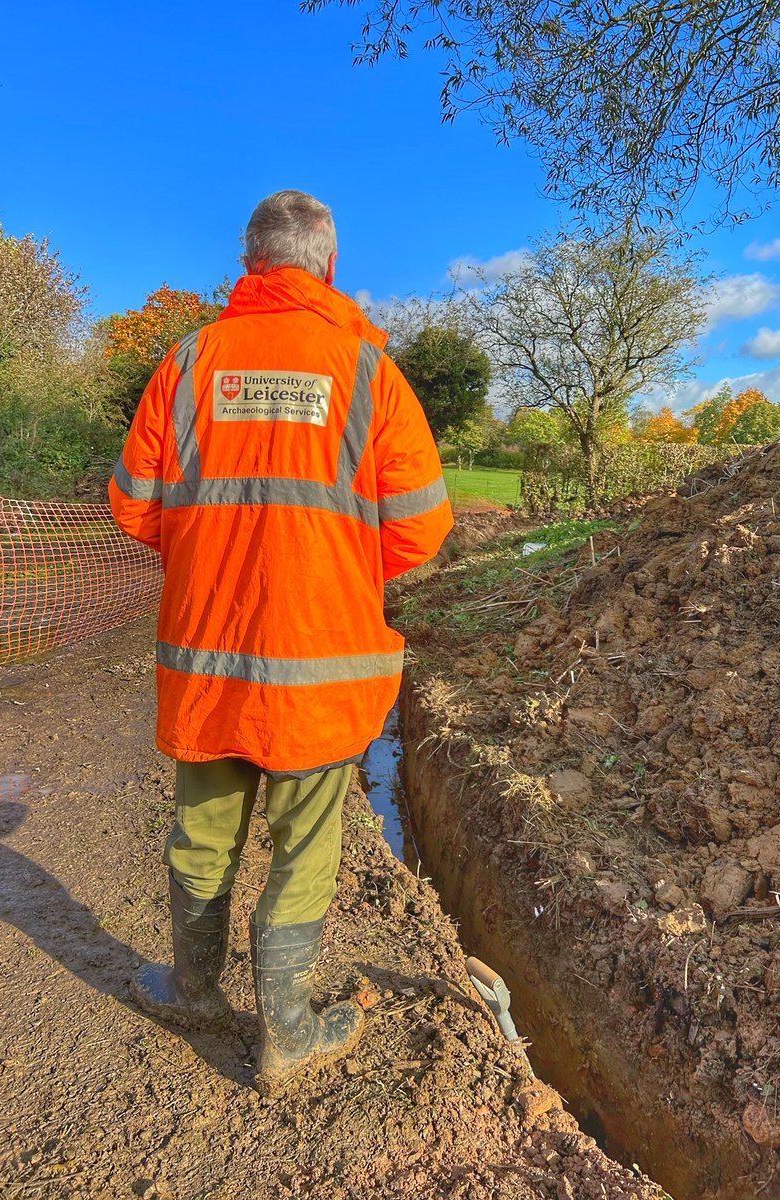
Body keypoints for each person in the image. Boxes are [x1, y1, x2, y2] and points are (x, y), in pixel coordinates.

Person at [108, 190, 453, 1092]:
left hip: (207, 656)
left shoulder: (186, 364)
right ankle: (287, 1031)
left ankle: (194, 991)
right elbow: (422, 526)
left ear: (250, 262)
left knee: (201, 831)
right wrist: (334, 558)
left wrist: (209, 549)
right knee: (307, 846)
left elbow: (133, 504)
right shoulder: (370, 374)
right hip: (321, 661)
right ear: (328, 266)